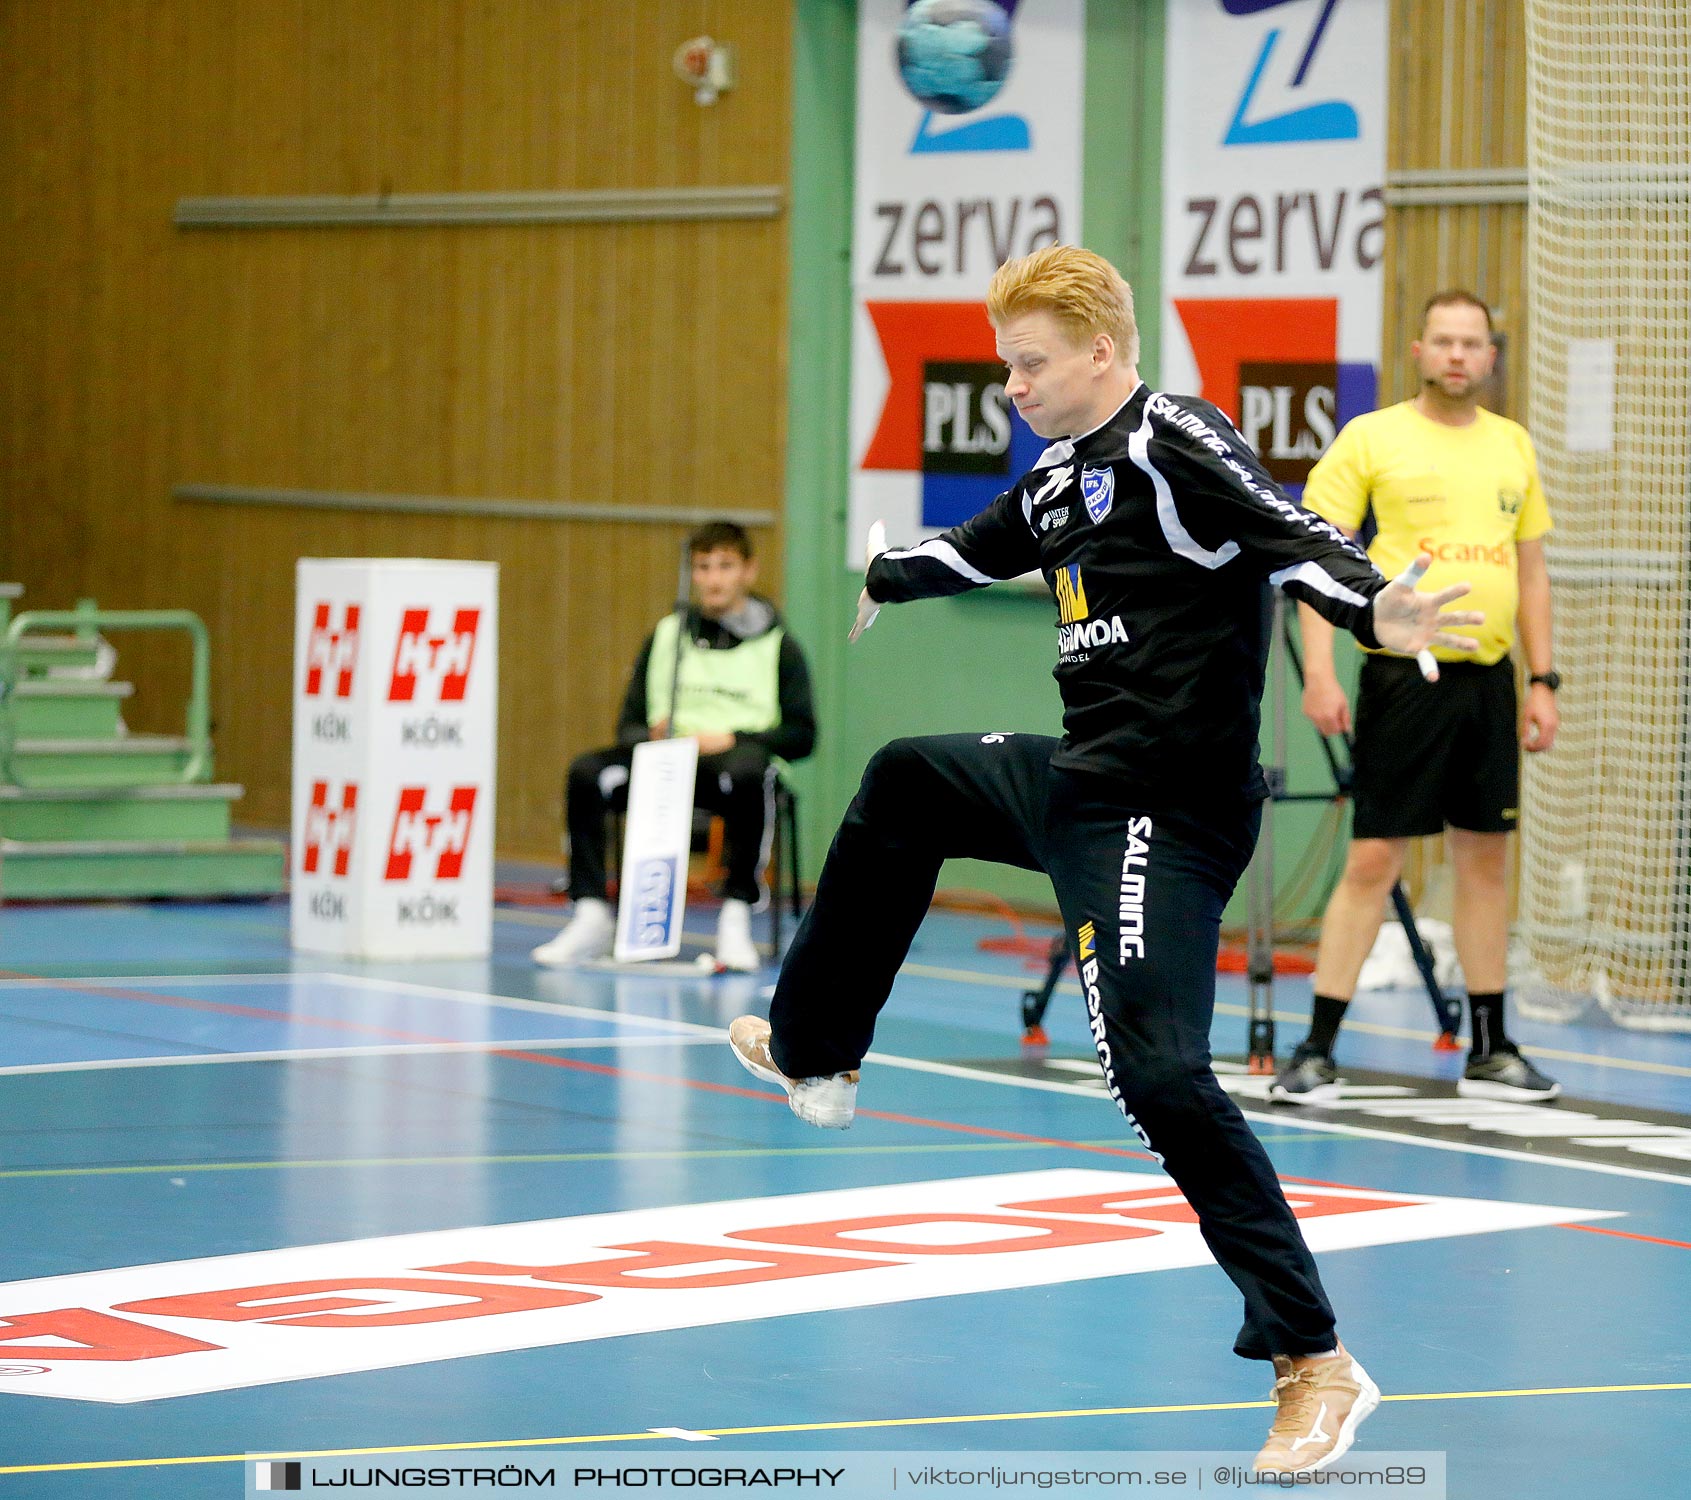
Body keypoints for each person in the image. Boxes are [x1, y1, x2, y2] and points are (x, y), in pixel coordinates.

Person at [726, 246, 1484, 1473]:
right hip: (1083, 783)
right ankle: (815, 1052)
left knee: (1156, 1075)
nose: (1012, 385)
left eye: (1029, 363)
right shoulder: (1061, 473)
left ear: (1100, 351)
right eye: (1002, 365)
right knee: (906, 780)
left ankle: (1314, 1360)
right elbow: (968, 550)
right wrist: (881, 573)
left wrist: (1373, 609)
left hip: (1163, 812)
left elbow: (1285, 535)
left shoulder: (1170, 436)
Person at [1270, 292, 1560, 1107]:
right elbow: (1313, 560)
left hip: (1488, 683)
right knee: (1373, 860)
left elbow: (1530, 571)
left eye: (1473, 342)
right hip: (1405, 680)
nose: (1458, 355)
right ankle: (1317, 1049)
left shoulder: (1512, 446)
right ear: (1418, 350)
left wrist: (1542, 679)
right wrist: (1321, 675)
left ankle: (1491, 1049)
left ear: (1491, 355)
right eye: (1444, 341)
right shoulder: (1372, 438)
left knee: (1484, 860)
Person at [532, 520, 815, 972]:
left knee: (749, 771)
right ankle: (590, 913)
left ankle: (736, 916)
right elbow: (627, 725)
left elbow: (802, 735)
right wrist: (650, 736)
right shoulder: (666, 635)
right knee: (587, 772)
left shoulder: (781, 647)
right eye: (703, 567)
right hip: (665, 763)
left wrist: (735, 738)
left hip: (731, 767)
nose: (713, 578)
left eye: (725, 566)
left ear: (748, 571)